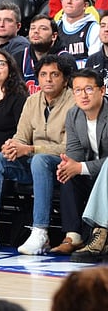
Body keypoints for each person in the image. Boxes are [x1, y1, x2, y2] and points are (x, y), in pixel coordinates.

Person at [0, 53, 75, 255]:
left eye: (54, 74)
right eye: (43, 74)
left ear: (64, 79)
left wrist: (30, 149)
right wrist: (13, 146)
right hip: (33, 162)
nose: (48, 79)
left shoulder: (73, 102)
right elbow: (21, 136)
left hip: (61, 166)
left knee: (40, 160)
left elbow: (69, 148)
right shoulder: (32, 100)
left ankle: (40, 232)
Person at [53, 68, 108, 256]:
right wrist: (69, 165)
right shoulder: (73, 115)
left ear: (102, 90)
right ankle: (73, 235)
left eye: (89, 89)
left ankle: (100, 234)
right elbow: (74, 152)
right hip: (94, 172)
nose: (83, 95)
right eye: (77, 90)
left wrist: (80, 167)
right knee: (67, 172)